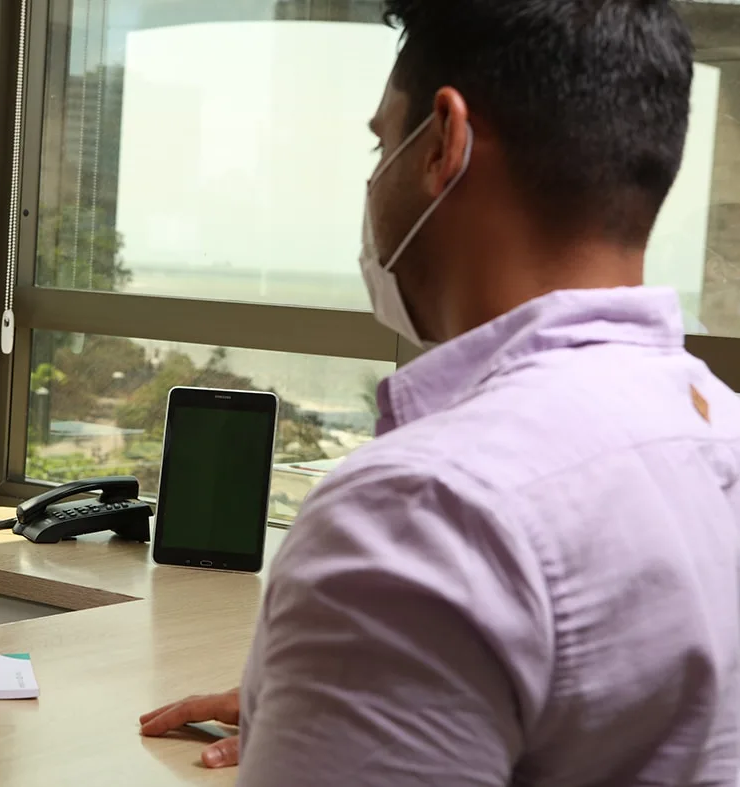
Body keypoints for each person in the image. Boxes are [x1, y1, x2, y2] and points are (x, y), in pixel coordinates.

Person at [141, 1, 740, 783]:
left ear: (443, 145)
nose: (371, 177)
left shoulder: (421, 508)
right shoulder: (719, 429)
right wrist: (361, 711)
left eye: (382, 141)